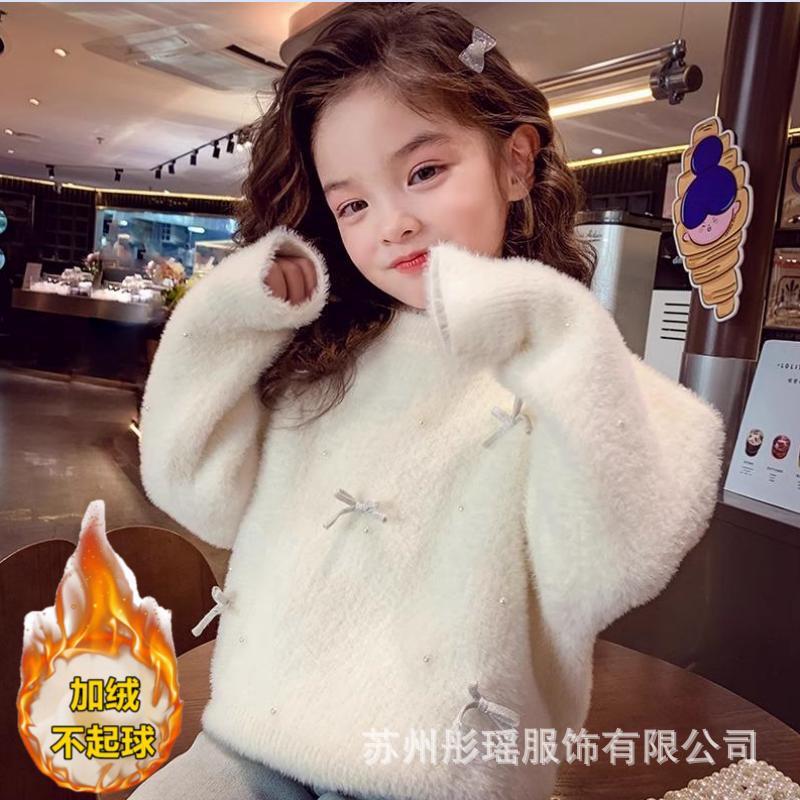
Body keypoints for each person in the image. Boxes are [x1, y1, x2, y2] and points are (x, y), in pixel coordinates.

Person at [133, 4, 726, 800]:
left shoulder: (568, 370)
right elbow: (193, 487)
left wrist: (546, 327)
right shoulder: (322, 363)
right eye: (352, 205)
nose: (393, 224)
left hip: (441, 775)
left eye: (424, 172)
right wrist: (236, 312)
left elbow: (611, 565)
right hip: (252, 742)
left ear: (516, 162)